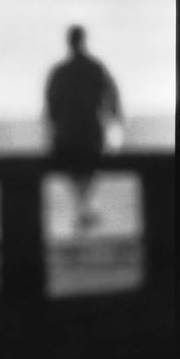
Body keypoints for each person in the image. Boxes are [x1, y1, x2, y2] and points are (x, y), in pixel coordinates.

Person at [46, 26, 122, 228]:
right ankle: (85, 210)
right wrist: (116, 123)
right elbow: (114, 96)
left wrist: (55, 129)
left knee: (73, 167)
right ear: (84, 40)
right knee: (89, 168)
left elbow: (51, 107)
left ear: (69, 42)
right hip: (92, 138)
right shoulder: (96, 68)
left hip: (67, 139)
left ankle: (83, 210)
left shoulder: (60, 71)